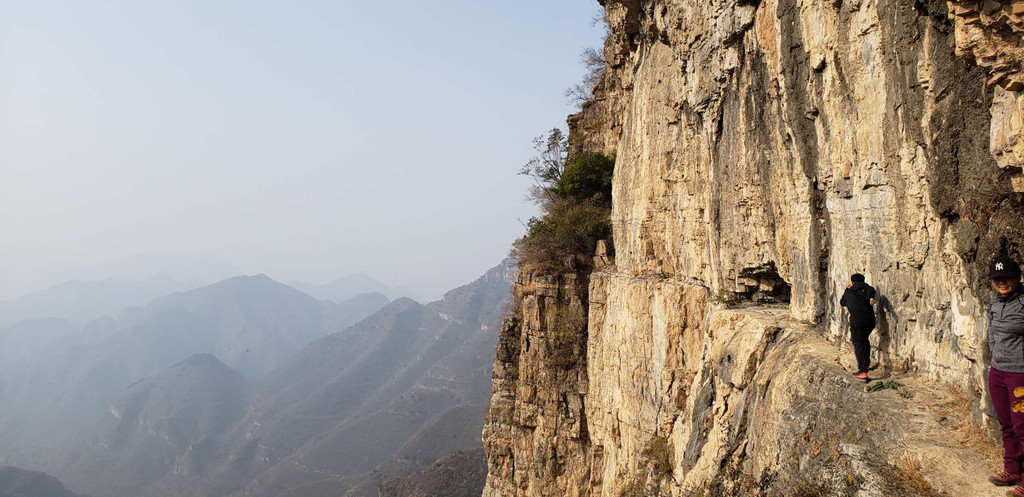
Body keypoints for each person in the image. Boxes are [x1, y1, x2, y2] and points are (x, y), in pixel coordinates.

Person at [985, 256, 1024, 491]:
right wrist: (994, 352)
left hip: (1020, 374)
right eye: (997, 278)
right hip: (998, 371)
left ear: (1017, 278)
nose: (1002, 282)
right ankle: (1012, 470)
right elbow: (991, 329)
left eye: (1007, 277)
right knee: (1006, 424)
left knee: (1023, 426)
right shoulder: (994, 302)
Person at [841, 273, 876, 381]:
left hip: (857, 322)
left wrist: (846, 290)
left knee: (858, 344)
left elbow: (842, 303)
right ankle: (867, 364)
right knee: (865, 340)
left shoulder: (849, 292)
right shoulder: (869, 289)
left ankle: (863, 371)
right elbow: (871, 294)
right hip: (870, 321)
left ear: (852, 282)